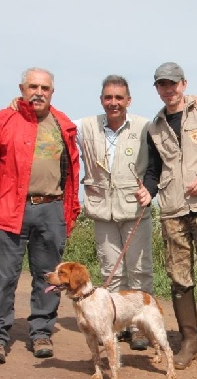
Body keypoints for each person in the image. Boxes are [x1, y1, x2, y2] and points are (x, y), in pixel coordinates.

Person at [135, 62, 197, 373]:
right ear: (157, 88)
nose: (169, 90)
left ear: (184, 83)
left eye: (173, 84)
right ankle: (189, 342)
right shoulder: (154, 127)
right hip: (172, 210)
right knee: (179, 278)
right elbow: (153, 171)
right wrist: (147, 192)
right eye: (162, 85)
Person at [0, 67, 80, 365]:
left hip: (51, 209)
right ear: (21, 88)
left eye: (44, 88)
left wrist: (68, 212)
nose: (38, 92)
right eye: (32, 86)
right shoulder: (4, 119)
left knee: (48, 277)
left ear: (52, 92)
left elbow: (72, 171)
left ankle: (41, 332)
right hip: (10, 209)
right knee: (4, 277)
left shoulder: (63, 123)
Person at [75, 75, 152, 351]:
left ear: (128, 100)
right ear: (101, 100)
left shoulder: (145, 126)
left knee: (140, 272)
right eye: (108, 97)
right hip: (101, 211)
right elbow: (57, 125)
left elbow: (161, 155)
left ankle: (139, 327)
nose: (113, 102)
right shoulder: (84, 126)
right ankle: (117, 326)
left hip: (135, 209)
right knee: (112, 272)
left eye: (119, 97)